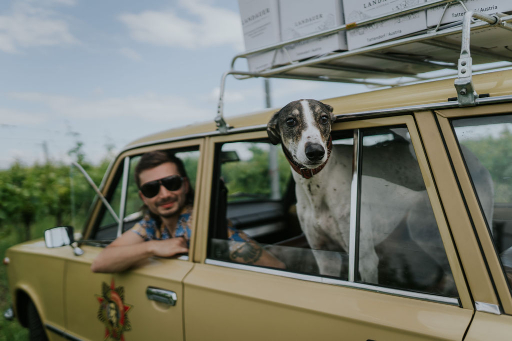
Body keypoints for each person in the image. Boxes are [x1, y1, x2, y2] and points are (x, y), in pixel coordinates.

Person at [91, 150, 284, 273]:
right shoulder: (151, 224)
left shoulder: (201, 224)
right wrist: (153, 247)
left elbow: (277, 268)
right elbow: (100, 263)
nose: (164, 194)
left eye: (171, 183)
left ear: (184, 185)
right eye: (152, 189)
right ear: (143, 197)